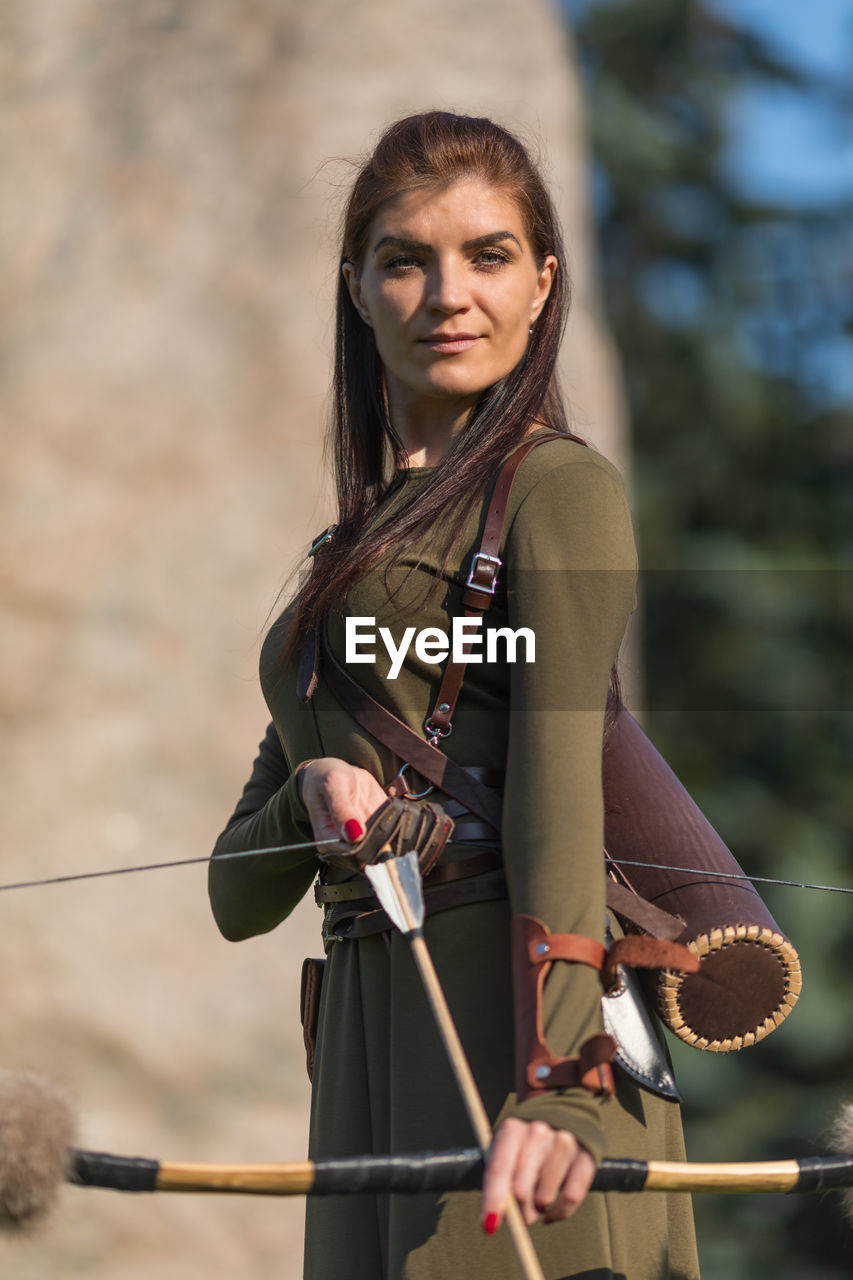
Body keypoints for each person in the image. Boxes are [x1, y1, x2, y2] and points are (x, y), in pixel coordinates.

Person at [209, 111, 700, 1279]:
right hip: (374, 1032)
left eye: (485, 255)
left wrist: (561, 1085)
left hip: (515, 1024)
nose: (446, 292)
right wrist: (311, 793)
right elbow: (237, 894)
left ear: (541, 284)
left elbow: (558, 788)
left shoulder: (557, 488)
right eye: (404, 258)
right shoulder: (344, 554)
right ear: (357, 289)